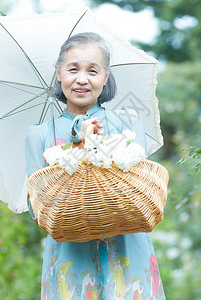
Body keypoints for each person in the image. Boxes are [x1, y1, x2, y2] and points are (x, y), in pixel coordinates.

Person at [25, 32, 165, 299]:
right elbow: (37, 208)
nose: (81, 79)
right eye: (73, 69)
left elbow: (138, 187)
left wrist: (97, 145)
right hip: (71, 256)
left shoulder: (127, 121)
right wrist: (76, 146)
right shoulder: (39, 134)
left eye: (93, 70)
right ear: (58, 73)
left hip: (127, 248)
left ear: (106, 76)